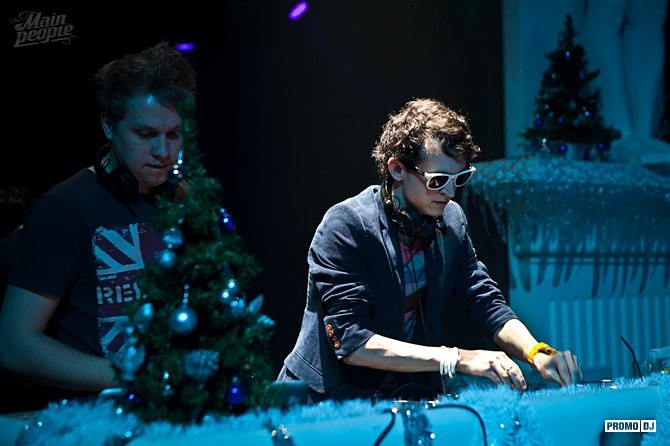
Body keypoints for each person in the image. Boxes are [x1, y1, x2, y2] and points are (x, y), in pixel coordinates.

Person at [277, 98, 582, 403]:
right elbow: (351, 341)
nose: (449, 193)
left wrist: (535, 351)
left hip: (404, 396)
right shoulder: (346, 225)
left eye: (459, 179)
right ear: (397, 169)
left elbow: (484, 299)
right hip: (326, 401)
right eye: (437, 180)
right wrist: (456, 358)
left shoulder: (451, 221)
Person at [0, 42, 196, 410]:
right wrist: (131, 377)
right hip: (89, 420)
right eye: (145, 134)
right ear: (108, 125)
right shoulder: (65, 209)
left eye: (174, 134)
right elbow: (14, 344)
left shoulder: (184, 202)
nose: (163, 152)